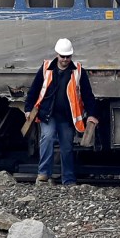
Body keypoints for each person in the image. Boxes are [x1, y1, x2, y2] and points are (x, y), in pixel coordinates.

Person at [25, 38, 99, 186]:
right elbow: (34, 89)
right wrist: (28, 109)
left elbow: (87, 94)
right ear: (57, 55)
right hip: (48, 114)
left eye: (68, 57)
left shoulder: (78, 71)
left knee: (67, 147)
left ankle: (69, 180)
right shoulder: (46, 67)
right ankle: (44, 174)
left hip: (67, 117)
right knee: (47, 137)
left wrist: (92, 114)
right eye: (62, 56)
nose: (65, 60)